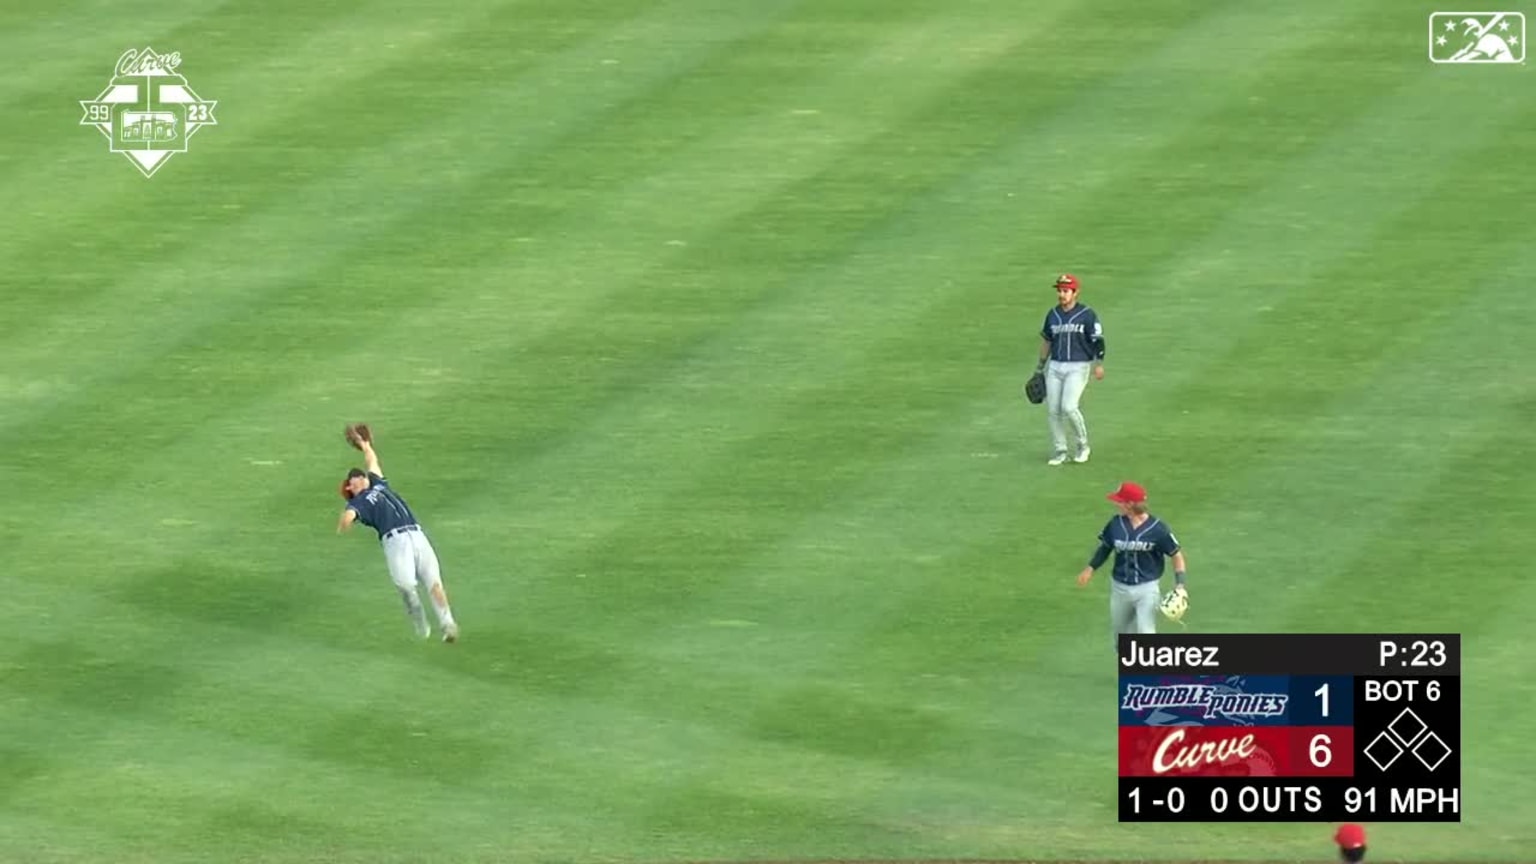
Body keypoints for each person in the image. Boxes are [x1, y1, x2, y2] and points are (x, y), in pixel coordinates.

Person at [338, 433, 461, 643]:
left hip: (417, 534)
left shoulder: (378, 483)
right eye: (354, 477)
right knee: (406, 586)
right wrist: (345, 521)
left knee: (434, 583)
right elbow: (348, 517)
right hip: (395, 543)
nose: (359, 476)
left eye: (360, 475)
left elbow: (372, 460)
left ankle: (448, 625)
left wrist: (364, 444)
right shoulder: (359, 503)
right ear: (350, 487)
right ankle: (418, 619)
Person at [1076, 481, 1185, 649]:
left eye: (1120, 501)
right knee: (1120, 638)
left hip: (1147, 589)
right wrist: (1090, 569)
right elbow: (1105, 548)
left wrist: (1180, 584)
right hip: (1119, 588)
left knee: (1145, 632)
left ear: (1130, 504)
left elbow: (1176, 555)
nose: (1117, 504)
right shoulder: (1115, 524)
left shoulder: (1158, 529)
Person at [1035, 273, 1105, 465]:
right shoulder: (1053, 315)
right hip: (1055, 366)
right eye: (1060, 290)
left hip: (1078, 366)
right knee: (1053, 410)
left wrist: (1098, 363)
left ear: (1075, 293)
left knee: (1069, 407)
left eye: (1066, 291)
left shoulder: (1087, 315)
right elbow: (1047, 341)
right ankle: (1060, 450)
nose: (1062, 294)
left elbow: (1097, 340)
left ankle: (1083, 445)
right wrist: (1040, 367)